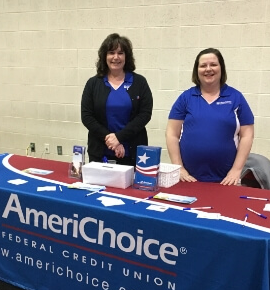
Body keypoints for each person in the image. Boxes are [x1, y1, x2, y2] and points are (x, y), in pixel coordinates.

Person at [165, 48, 254, 185]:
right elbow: (171, 133)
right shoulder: (185, 98)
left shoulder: (236, 97)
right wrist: (180, 169)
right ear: (197, 70)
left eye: (213, 64)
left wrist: (236, 170)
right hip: (188, 178)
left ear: (221, 68)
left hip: (226, 179)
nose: (208, 69)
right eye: (203, 65)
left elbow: (247, 134)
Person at [81, 33, 153, 166]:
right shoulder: (93, 83)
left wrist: (119, 138)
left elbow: (145, 115)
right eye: (111, 52)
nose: (116, 57)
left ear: (127, 57)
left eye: (120, 53)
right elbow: (87, 117)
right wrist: (112, 141)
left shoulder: (139, 82)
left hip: (132, 153)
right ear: (104, 56)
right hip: (100, 152)